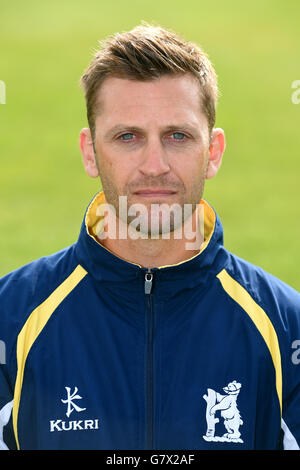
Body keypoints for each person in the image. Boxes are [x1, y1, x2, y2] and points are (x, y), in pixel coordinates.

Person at [0, 22, 299, 451]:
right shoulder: (11, 321)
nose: (154, 165)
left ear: (212, 152)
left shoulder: (286, 330)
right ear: (90, 152)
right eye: (128, 137)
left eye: (177, 136)